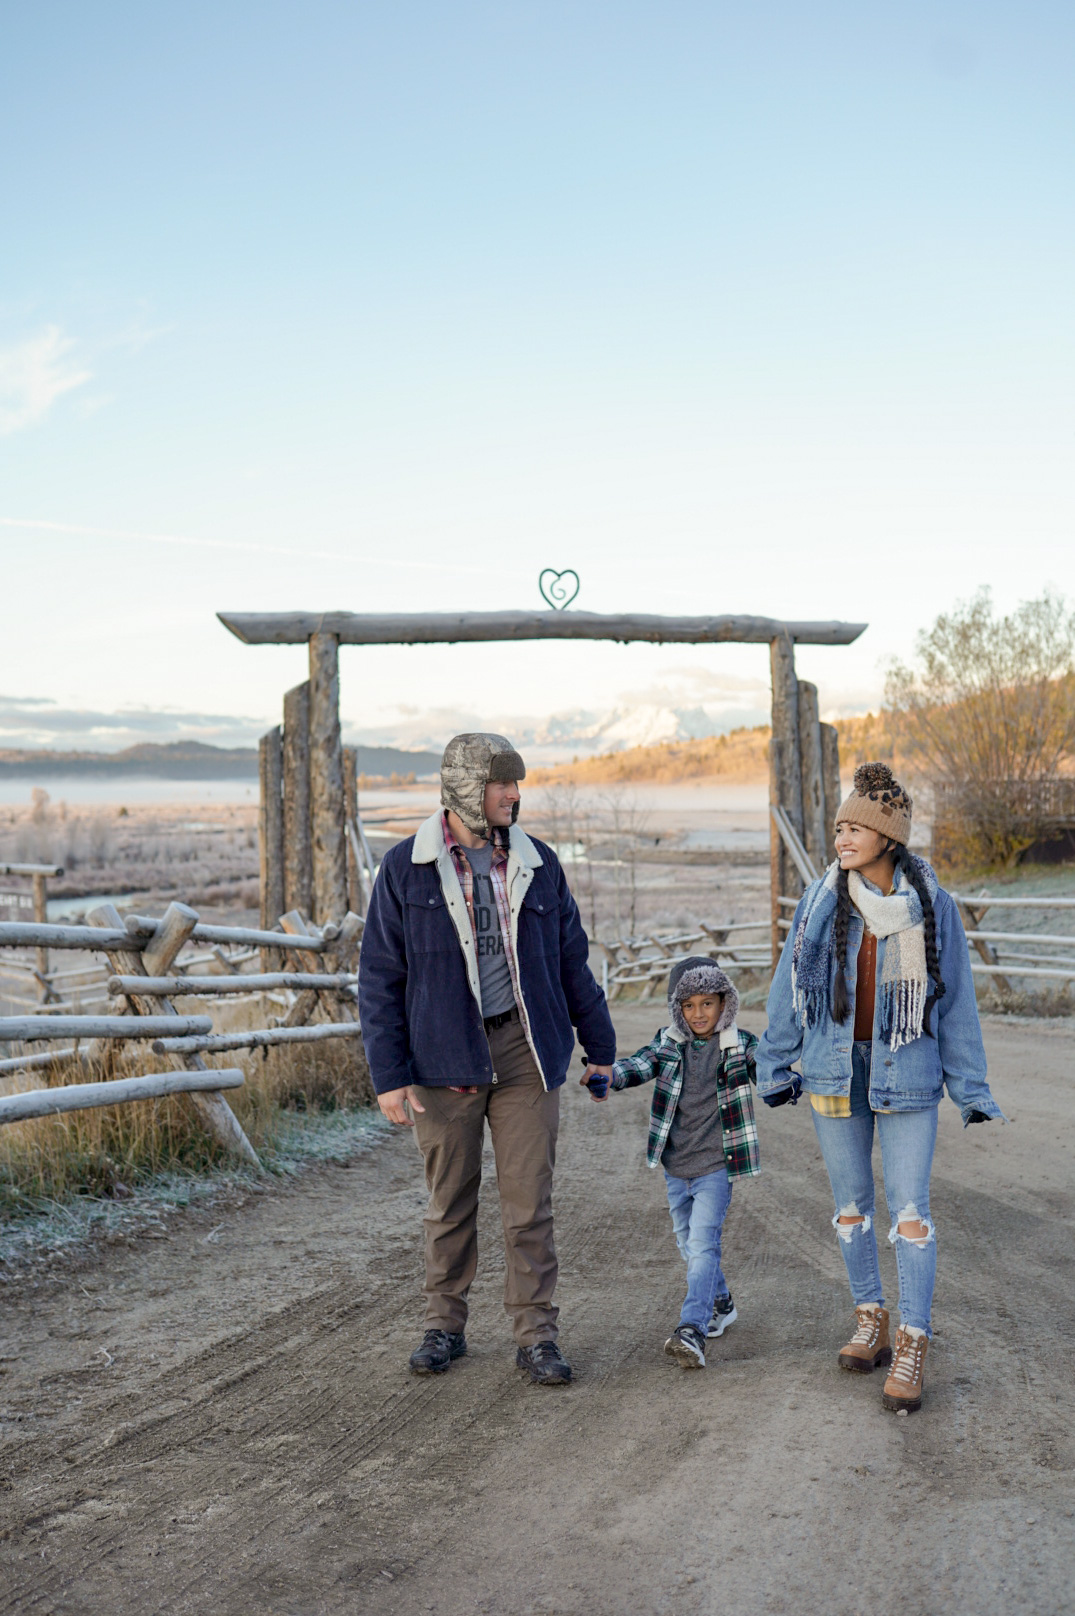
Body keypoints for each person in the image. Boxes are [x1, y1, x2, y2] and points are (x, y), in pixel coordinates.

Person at [358, 732, 616, 1386]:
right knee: (450, 1201)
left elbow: (570, 963)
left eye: (515, 781)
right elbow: (380, 977)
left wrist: (600, 1048)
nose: (513, 794)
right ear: (463, 790)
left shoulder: (538, 862)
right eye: (500, 783)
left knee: (529, 1202)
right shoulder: (404, 867)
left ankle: (535, 1335)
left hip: (525, 1052)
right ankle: (444, 1326)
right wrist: (390, 1076)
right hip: (443, 1056)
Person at [757, 762, 1003, 1413]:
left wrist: (970, 1088)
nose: (841, 837)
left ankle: (913, 1337)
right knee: (850, 1206)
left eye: (855, 826)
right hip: (833, 1071)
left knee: (910, 1212)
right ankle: (870, 1317)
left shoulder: (932, 905)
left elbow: (957, 1007)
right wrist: (772, 1063)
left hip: (908, 1072)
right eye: (838, 825)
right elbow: (788, 992)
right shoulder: (818, 901)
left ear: (888, 836)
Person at [586, 957, 759, 1370]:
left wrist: (783, 1081)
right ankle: (721, 1302)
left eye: (708, 1003)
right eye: (689, 1005)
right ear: (677, 1009)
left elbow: (767, 1068)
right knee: (688, 1244)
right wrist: (608, 1077)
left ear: (725, 1003)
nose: (699, 1014)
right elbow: (637, 1065)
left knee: (702, 1245)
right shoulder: (668, 1043)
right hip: (675, 1167)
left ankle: (692, 1329)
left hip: (716, 1167)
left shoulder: (740, 1044)